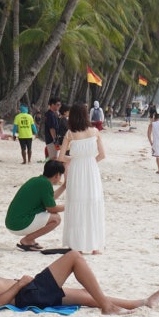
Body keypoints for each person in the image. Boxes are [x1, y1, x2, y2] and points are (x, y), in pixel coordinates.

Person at [0, 251, 159, 314]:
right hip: (26, 294)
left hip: (27, 289)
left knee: (84, 295)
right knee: (74, 257)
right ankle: (107, 307)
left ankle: (142, 302)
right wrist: (19, 285)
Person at [59, 103, 106, 255]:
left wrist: (74, 160)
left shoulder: (70, 134)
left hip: (76, 171)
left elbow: (61, 157)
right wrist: (90, 162)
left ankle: (77, 246)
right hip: (92, 172)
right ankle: (95, 246)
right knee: (92, 204)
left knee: (76, 205)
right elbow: (102, 155)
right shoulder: (95, 131)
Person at [7, 160, 66, 251]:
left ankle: (30, 240)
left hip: (12, 222)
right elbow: (51, 208)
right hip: (18, 224)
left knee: (52, 216)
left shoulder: (38, 180)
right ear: (57, 175)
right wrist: (68, 207)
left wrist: (64, 186)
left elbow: (50, 198)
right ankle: (27, 240)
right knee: (56, 219)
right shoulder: (45, 184)